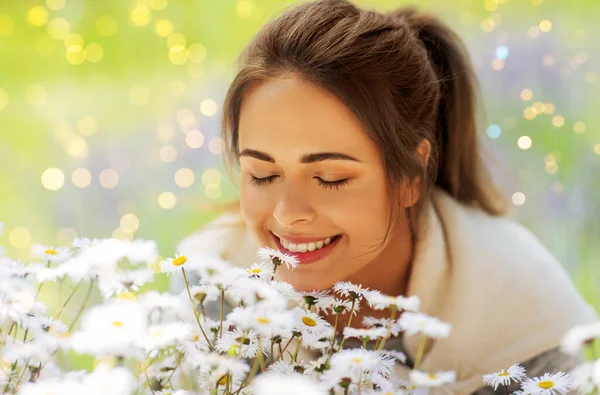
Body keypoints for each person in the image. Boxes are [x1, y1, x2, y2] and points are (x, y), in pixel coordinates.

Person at [172, 0, 598, 393]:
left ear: (411, 174)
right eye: (263, 175)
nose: (288, 214)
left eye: (330, 177)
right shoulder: (212, 289)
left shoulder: (522, 315)